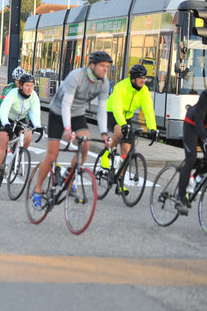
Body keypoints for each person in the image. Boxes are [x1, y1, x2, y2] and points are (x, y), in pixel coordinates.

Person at [32, 51, 111, 209]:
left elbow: (102, 110)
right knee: (52, 155)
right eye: (102, 66)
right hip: (58, 112)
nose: (105, 69)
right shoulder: (76, 76)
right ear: (92, 65)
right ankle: (37, 190)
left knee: (85, 144)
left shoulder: (104, 82)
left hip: (77, 114)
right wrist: (67, 129)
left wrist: (104, 134)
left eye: (107, 67)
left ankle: (69, 177)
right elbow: (66, 104)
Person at [100, 64, 158, 194]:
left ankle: (120, 184)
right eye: (140, 78)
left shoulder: (144, 91)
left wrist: (153, 129)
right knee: (119, 131)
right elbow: (117, 108)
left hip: (128, 117)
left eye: (144, 78)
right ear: (133, 79)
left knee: (126, 153)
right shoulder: (120, 87)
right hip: (112, 113)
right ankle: (106, 154)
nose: (144, 80)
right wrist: (123, 124)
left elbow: (149, 110)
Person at [0, 73, 42, 184]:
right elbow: (4, 110)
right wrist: (5, 124)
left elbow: (35, 113)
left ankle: (17, 155)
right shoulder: (12, 94)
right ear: (21, 86)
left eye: (32, 86)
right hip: (7, 118)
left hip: (21, 119)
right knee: (3, 142)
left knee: (28, 135)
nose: (30, 88)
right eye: (27, 85)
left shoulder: (34, 96)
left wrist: (37, 126)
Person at [175, 90, 207, 215]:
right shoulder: (205, 95)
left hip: (204, 129)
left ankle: (194, 179)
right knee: (191, 159)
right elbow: (199, 120)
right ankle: (180, 198)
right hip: (192, 125)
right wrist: (204, 139)